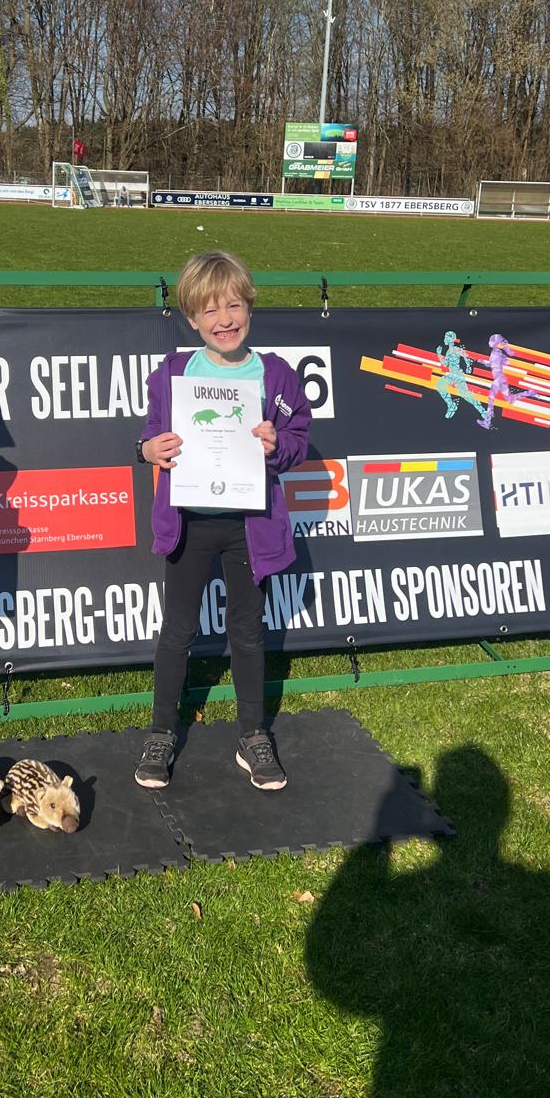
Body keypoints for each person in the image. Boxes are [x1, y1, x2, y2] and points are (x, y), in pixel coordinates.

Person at [134, 250, 312, 791]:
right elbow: (150, 434)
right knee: (178, 631)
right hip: (189, 522)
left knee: (248, 632)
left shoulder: (276, 375)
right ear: (192, 319)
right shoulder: (173, 373)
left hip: (249, 526)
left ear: (250, 308)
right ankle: (161, 731)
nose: (225, 319)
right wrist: (148, 450)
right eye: (210, 310)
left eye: (234, 306)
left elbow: (299, 439)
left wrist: (279, 445)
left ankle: (253, 735)